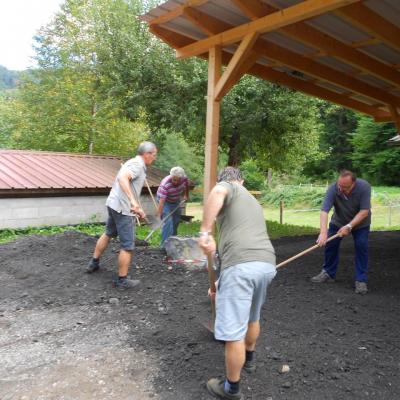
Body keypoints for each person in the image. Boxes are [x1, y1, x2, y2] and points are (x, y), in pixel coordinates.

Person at [198, 167, 276, 400]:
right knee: (253, 316)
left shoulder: (229, 187)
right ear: (242, 180)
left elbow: (219, 190)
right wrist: (221, 282)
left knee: (233, 333)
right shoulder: (252, 201)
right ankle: (249, 361)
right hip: (265, 264)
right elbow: (239, 237)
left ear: (234, 181)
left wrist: (204, 231)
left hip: (242, 266)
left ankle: (231, 389)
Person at [86, 141, 157, 289]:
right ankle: (122, 280)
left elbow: (128, 186)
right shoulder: (137, 165)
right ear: (147, 154)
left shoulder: (133, 163)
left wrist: (138, 206)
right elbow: (123, 178)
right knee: (128, 246)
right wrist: (132, 202)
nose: (155, 158)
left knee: (108, 233)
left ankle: (94, 263)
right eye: (154, 155)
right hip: (123, 210)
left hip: (114, 204)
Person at [311, 169, 371, 294]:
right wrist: (323, 233)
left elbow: (364, 211)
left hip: (360, 223)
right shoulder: (333, 189)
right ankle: (328, 273)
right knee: (330, 244)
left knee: (361, 246)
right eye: (340, 186)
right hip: (338, 221)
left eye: (345, 187)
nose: (341, 189)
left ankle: (361, 280)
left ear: (353, 184)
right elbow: (324, 211)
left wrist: (349, 226)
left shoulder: (364, 187)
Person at [156, 166, 189, 247]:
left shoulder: (184, 179)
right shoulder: (165, 185)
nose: (175, 182)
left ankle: (173, 242)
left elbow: (186, 185)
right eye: (174, 179)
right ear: (171, 176)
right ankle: (164, 246)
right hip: (165, 201)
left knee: (176, 220)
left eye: (178, 180)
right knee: (168, 222)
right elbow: (161, 202)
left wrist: (186, 194)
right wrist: (159, 215)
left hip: (175, 200)